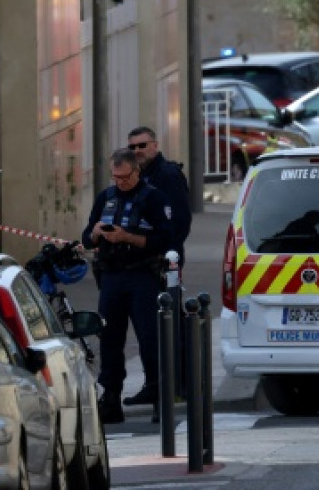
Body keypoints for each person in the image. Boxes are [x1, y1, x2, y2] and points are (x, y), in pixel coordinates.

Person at [83, 148, 175, 424]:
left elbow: (164, 239)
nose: (120, 182)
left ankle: (159, 396)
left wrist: (128, 237)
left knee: (150, 338)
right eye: (115, 177)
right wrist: (96, 234)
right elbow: (87, 238)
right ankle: (110, 398)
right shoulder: (105, 198)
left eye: (124, 177)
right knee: (109, 339)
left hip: (142, 275)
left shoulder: (154, 198)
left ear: (137, 172)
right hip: (111, 276)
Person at [127, 126, 191, 267]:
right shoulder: (137, 175)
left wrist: (168, 251)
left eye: (142, 145)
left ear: (155, 145)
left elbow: (181, 220)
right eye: (132, 147)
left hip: (163, 257)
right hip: (141, 257)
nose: (137, 151)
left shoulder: (168, 175)